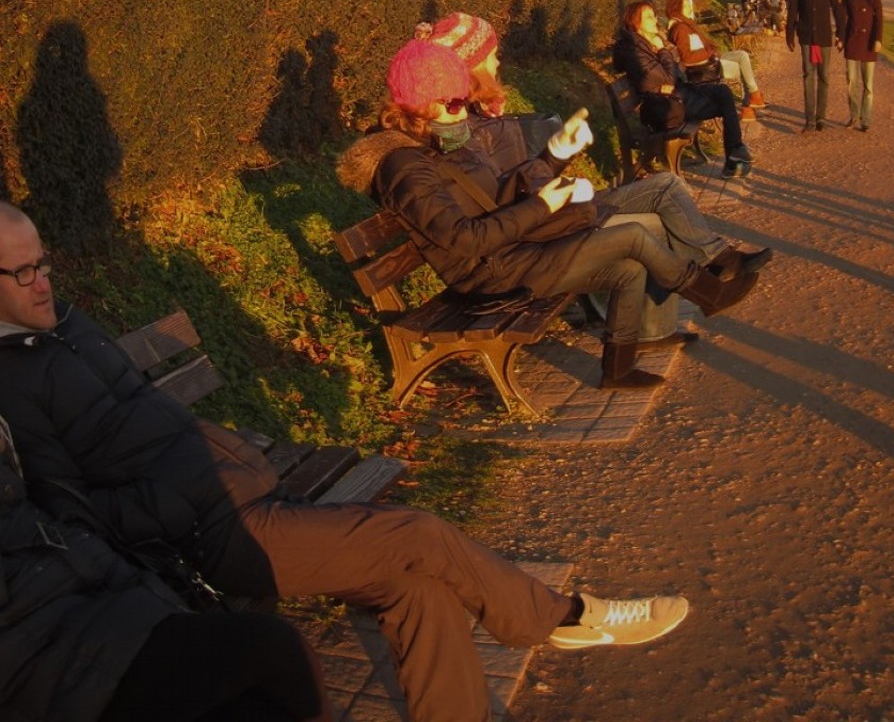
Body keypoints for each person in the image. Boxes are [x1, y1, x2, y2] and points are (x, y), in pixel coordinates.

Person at [0, 203, 691, 722]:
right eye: (23, 271)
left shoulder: (61, 323)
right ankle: (563, 617)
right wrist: (183, 494)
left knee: (418, 590)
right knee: (417, 536)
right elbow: (74, 514)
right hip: (218, 533)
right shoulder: (11, 385)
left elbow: (140, 422)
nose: (42, 283)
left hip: (242, 495)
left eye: (44, 263)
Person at [344, 40, 761, 395]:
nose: (462, 111)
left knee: (628, 267)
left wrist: (553, 156)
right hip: (486, 273)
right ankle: (709, 294)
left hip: (510, 250)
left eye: (462, 100)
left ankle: (617, 369)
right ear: (419, 106)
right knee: (633, 235)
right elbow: (466, 240)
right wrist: (543, 206)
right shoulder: (404, 167)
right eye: (452, 102)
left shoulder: (443, 140)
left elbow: (496, 196)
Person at [0, 413, 331, 722]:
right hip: (54, 662)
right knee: (271, 647)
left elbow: (58, 506)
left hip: (105, 610)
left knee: (262, 700)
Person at [612, 1, 753, 179]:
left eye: (654, 15)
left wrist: (664, 57)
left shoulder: (648, 44)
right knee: (723, 100)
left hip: (676, 96)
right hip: (665, 108)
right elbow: (667, 78)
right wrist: (663, 50)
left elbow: (677, 71)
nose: (655, 19)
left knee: (723, 92)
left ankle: (735, 153)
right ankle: (735, 157)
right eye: (648, 17)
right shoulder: (633, 51)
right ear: (635, 23)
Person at [664, 0, 766, 120]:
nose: (691, 9)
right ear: (677, 9)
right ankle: (749, 105)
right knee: (744, 69)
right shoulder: (681, 29)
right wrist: (710, 52)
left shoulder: (686, 24)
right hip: (705, 68)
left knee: (742, 55)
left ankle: (753, 97)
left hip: (709, 60)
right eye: (687, 7)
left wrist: (711, 52)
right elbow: (687, 58)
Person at [785, 0, 845, 133]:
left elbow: (835, 6)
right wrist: (789, 32)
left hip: (823, 34)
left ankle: (821, 117)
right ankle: (810, 119)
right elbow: (793, 4)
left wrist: (840, 33)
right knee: (808, 75)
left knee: (824, 76)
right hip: (805, 33)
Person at [840, 0, 883, 132]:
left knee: (868, 85)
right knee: (851, 81)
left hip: (868, 41)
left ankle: (865, 119)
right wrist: (840, 37)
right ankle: (854, 115)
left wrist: (878, 39)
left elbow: (879, 15)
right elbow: (843, 12)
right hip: (852, 37)